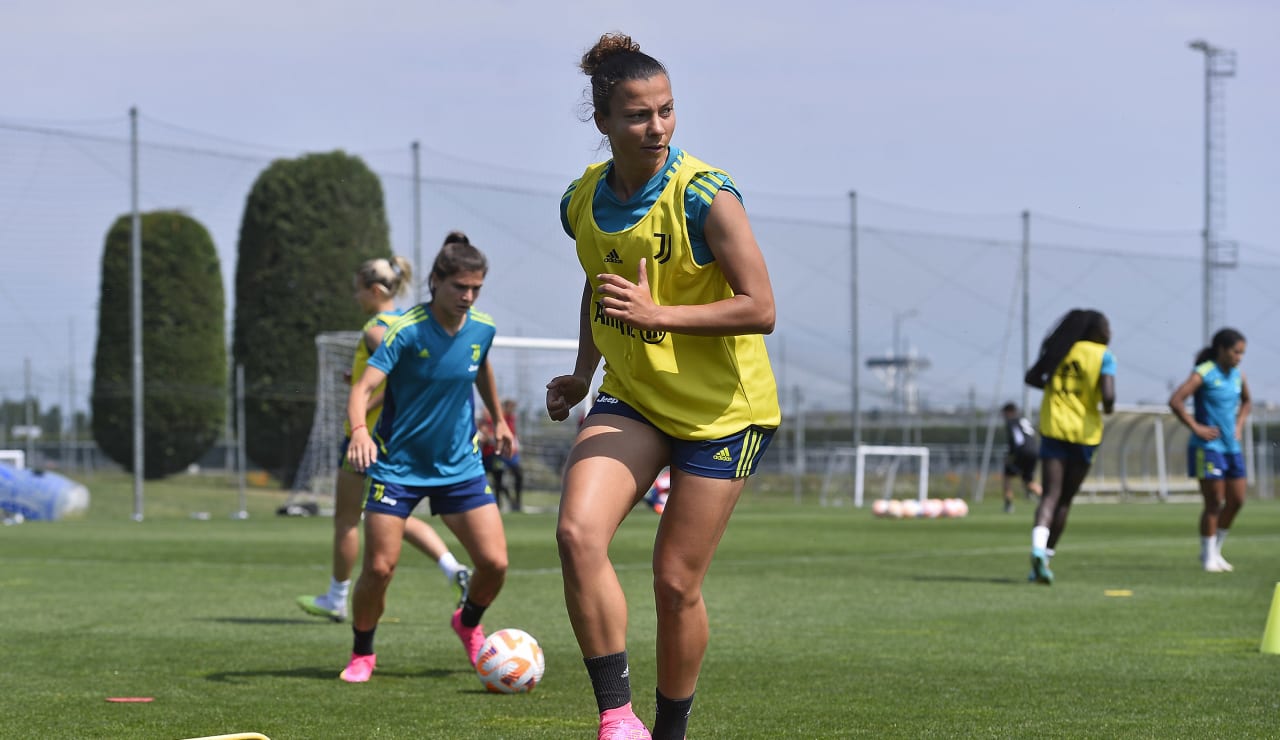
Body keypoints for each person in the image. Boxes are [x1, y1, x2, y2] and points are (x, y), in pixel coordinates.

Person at [546, 32, 781, 740]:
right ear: (604, 124)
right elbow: (599, 286)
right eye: (638, 115)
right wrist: (583, 373)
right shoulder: (579, 202)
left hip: (723, 413)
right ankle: (619, 720)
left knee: (676, 585)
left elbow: (761, 307)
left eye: (667, 111)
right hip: (635, 398)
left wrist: (660, 315)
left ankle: (671, 733)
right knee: (576, 534)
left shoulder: (707, 197)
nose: (657, 128)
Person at [338, 232, 513, 683]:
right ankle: (362, 652)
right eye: (460, 287)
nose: (468, 297)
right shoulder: (403, 331)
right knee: (379, 568)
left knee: (494, 564)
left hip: (460, 465)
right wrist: (360, 431)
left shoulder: (482, 327)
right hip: (397, 466)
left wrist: (499, 419)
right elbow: (362, 390)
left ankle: (468, 621)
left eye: (476, 289)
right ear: (436, 281)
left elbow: (481, 367)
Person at [296, 255, 472, 623]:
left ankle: (337, 597)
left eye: (359, 290)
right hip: (398, 440)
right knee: (392, 515)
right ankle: (453, 568)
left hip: (370, 440)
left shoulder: (378, 328)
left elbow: (407, 377)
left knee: (347, 519)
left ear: (375, 290)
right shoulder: (410, 321)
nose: (356, 297)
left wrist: (363, 396)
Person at [1022, 309, 1116, 585]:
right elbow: (1108, 396)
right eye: (1107, 327)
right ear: (1095, 330)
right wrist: (1104, 404)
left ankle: (1037, 549)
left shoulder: (1060, 349)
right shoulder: (1102, 355)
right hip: (1084, 433)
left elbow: (1031, 378)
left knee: (1049, 495)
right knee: (1065, 500)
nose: (1110, 332)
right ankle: (1046, 557)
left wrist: (1056, 390)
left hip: (1054, 428)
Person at [1168, 328, 1251, 573]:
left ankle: (1217, 550)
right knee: (1214, 502)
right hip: (1208, 447)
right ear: (1222, 350)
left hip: (1231, 448)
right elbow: (1176, 400)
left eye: (1242, 353)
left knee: (1237, 500)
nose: (1239, 357)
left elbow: (1247, 402)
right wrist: (1196, 427)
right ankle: (1207, 556)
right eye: (1236, 352)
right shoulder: (1204, 372)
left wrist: (1239, 425)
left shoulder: (1238, 375)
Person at [1000, 402, 1041, 514]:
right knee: (1028, 481)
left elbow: (1017, 440)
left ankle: (1008, 504)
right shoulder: (1023, 420)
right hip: (1034, 450)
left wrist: (1011, 455)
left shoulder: (1011, 422)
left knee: (1007, 475)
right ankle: (1047, 499)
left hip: (1023, 451)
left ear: (1008, 412)